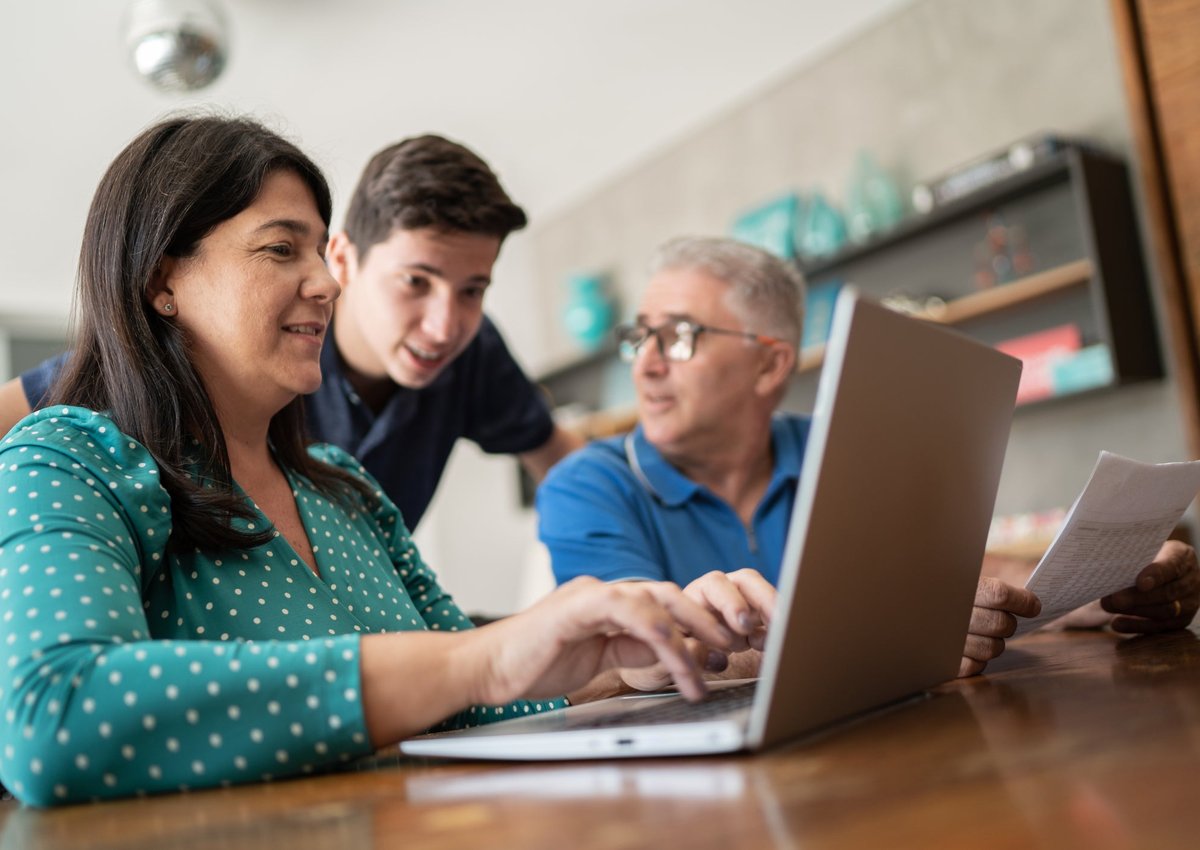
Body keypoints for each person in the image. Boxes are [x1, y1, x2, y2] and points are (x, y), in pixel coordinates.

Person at [0, 116, 763, 807]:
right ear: (162, 279)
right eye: (280, 247)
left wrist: (620, 663)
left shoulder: (349, 490)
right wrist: (481, 660)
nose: (330, 282)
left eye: (319, 248)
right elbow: (51, 719)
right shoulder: (68, 458)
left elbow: (472, 702)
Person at [536, 236, 1200, 676]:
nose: (645, 366)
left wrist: (1105, 587)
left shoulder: (837, 442)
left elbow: (946, 574)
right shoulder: (584, 485)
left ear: (771, 366)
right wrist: (897, 632)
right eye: (639, 337)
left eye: (677, 337)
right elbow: (628, 664)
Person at [0, 133, 581, 531]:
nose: (444, 324)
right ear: (347, 261)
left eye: (472, 291)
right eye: (415, 282)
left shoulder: (474, 356)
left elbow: (564, 465)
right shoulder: (215, 361)